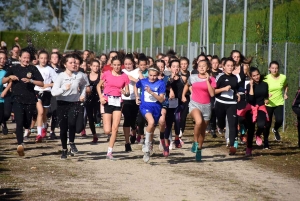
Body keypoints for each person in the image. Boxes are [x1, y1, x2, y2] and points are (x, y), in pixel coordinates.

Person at [2, 49, 44, 156]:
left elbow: (41, 83)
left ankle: (28, 128)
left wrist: (31, 81)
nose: (26, 60)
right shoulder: (14, 68)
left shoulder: (32, 68)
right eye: (24, 57)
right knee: (19, 122)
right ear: (20, 57)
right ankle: (20, 144)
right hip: (17, 99)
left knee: (26, 122)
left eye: (27, 58)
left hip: (30, 100)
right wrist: (9, 78)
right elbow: (3, 80)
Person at [51, 54, 88, 159]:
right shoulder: (61, 76)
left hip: (74, 103)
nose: (74, 64)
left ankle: (71, 142)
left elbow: (84, 85)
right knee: (63, 128)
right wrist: (64, 89)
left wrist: (82, 95)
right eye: (71, 63)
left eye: (75, 62)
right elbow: (54, 93)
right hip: (62, 104)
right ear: (65, 64)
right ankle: (64, 149)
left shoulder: (80, 75)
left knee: (72, 123)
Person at [97, 56, 130, 160]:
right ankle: (110, 136)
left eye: (118, 65)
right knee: (107, 130)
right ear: (111, 65)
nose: (116, 67)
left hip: (118, 102)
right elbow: (98, 86)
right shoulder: (106, 74)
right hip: (107, 101)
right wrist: (101, 97)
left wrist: (125, 92)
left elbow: (128, 92)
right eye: (114, 65)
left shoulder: (124, 76)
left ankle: (109, 152)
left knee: (115, 128)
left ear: (121, 66)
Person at [182, 59, 216, 161]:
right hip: (194, 104)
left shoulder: (212, 79)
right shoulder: (192, 77)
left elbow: (212, 94)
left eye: (204, 66)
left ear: (208, 68)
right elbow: (187, 85)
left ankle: (199, 149)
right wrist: (183, 95)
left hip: (206, 106)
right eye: (200, 66)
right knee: (198, 121)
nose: (201, 67)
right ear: (197, 68)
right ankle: (195, 142)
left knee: (202, 131)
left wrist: (207, 80)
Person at [135, 66, 166, 163]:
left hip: (156, 108)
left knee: (152, 129)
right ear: (148, 74)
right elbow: (136, 86)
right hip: (145, 107)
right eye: (150, 75)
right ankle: (146, 144)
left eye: (154, 76)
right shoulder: (143, 81)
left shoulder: (161, 83)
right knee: (151, 122)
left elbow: (161, 99)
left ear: (158, 75)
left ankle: (147, 151)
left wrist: (151, 92)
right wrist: (137, 97)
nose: (152, 77)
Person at [214, 57, 240, 155]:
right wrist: (224, 89)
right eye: (228, 66)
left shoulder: (235, 78)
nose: (230, 67)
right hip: (220, 102)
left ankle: (232, 146)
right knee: (221, 123)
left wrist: (237, 94)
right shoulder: (220, 77)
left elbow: (236, 89)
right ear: (223, 67)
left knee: (232, 124)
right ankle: (220, 126)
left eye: (231, 66)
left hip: (232, 104)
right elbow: (214, 91)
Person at [242, 67, 269, 155]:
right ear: (251, 77)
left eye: (258, 74)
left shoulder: (265, 84)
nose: (257, 77)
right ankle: (249, 148)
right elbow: (250, 99)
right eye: (254, 76)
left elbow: (265, 95)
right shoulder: (249, 85)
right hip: (251, 108)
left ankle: (258, 134)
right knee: (250, 129)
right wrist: (251, 86)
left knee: (262, 124)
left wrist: (267, 98)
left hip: (261, 107)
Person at [263, 61, 288, 148]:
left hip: (279, 102)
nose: (274, 70)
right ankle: (266, 142)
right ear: (269, 68)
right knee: (267, 124)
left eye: (276, 68)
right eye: (272, 68)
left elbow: (286, 85)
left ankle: (275, 129)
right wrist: (266, 96)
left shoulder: (283, 77)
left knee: (280, 120)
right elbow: (261, 89)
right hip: (268, 103)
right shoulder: (266, 78)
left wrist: (285, 93)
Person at [34, 50, 57, 142]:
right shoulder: (34, 68)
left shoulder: (50, 70)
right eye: (41, 58)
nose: (43, 60)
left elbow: (56, 82)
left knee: (44, 113)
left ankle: (44, 125)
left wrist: (47, 85)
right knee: (40, 112)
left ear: (48, 60)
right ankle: (39, 134)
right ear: (38, 59)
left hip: (47, 93)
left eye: (45, 58)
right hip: (36, 91)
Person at [121, 54, 141, 151]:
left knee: (134, 120)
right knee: (127, 119)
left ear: (133, 63)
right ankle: (127, 143)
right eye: (126, 64)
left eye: (130, 64)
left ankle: (134, 132)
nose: (128, 66)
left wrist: (134, 79)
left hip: (136, 98)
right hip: (125, 99)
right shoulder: (122, 72)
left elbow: (143, 82)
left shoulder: (137, 71)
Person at [85, 60, 101, 143]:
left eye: (97, 66)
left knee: (97, 116)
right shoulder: (86, 76)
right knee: (90, 118)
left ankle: (98, 121)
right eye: (94, 66)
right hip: (89, 99)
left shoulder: (101, 76)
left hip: (98, 99)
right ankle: (94, 135)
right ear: (90, 66)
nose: (96, 67)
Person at [210, 55, 223, 137]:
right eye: (213, 63)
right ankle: (212, 128)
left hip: (219, 94)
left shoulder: (221, 73)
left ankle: (220, 126)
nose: (215, 64)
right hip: (210, 94)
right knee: (212, 110)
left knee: (219, 111)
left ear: (219, 64)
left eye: (216, 63)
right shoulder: (208, 73)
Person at [179, 57, 190, 138]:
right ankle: (177, 130)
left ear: (188, 65)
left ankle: (181, 131)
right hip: (177, 97)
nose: (183, 66)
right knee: (176, 116)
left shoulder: (190, 74)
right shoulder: (177, 74)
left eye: (185, 64)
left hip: (187, 97)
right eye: (182, 64)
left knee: (184, 116)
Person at [0, 51, 11, 135]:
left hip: (5, 96)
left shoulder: (7, 70)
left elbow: (11, 81)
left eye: (4, 58)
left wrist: (6, 90)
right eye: (0, 58)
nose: (2, 60)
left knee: (7, 114)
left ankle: (4, 122)